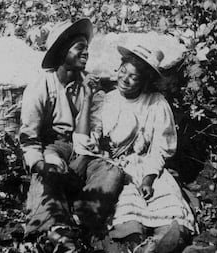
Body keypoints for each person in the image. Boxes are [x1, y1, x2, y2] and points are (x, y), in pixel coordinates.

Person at [73, 43, 198, 252]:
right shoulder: (107, 100)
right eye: (123, 71)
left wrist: (149, 178)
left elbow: (160, 147)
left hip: (148, 166)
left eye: (134, 77)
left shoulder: (156, 103)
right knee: (127, 215)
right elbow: (85, 142)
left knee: (169, 208)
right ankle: (133, 243)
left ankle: (162, 241)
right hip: (116, 167)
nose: (125, 79)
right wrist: (87, 98)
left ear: (145, 81)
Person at [19, 18, 124, 250]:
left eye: (86, 48)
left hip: (80, 151)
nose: (86, 53)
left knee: (111, 171)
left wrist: (86, 98)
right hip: (51, 149)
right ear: (61, 51)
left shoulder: (90, 87)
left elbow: (86, 140)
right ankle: (53, 227)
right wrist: (41, 165)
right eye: (79, 48)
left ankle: (80, 217)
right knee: (47, 178)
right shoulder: (41, 86)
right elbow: (29, 138)